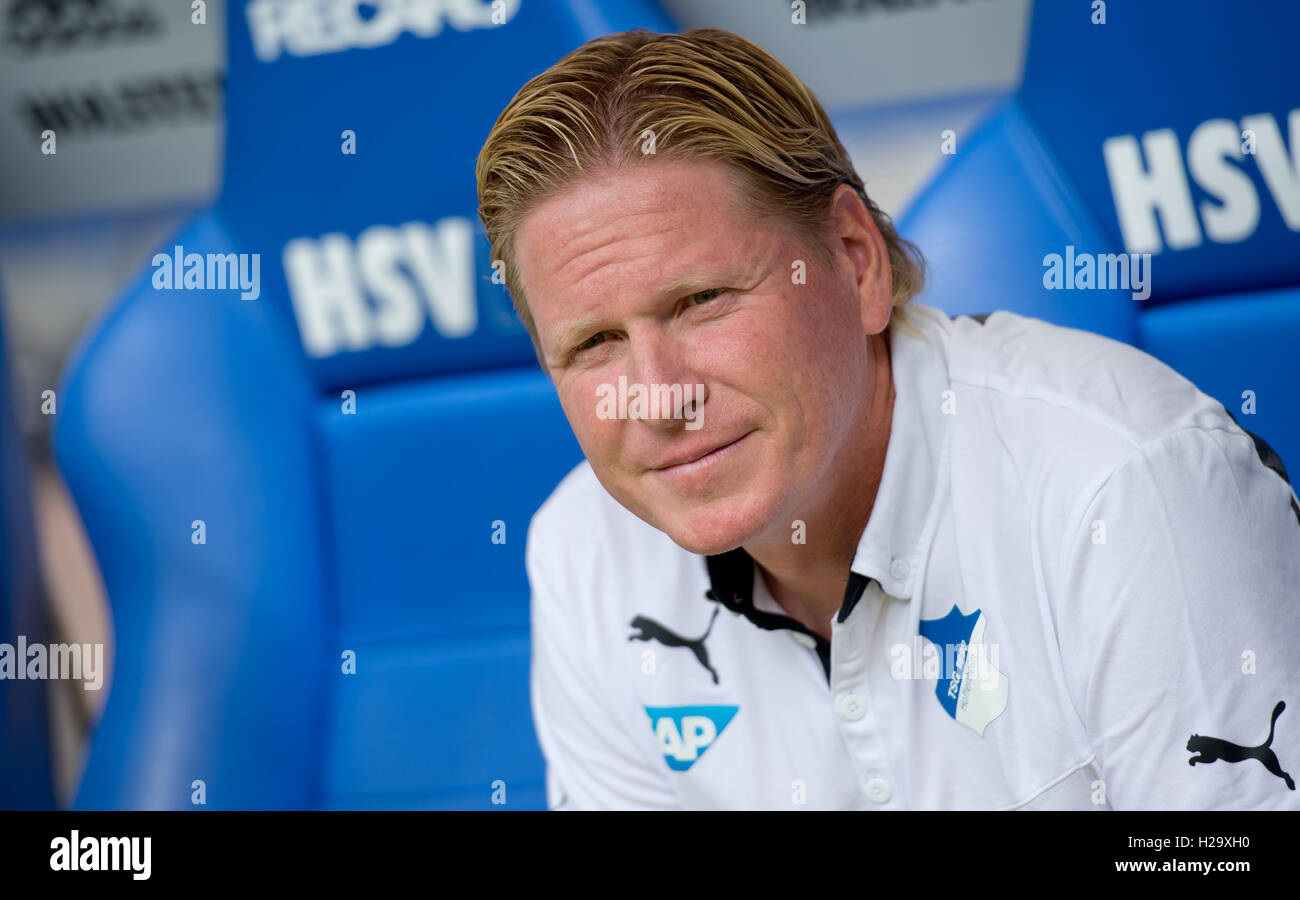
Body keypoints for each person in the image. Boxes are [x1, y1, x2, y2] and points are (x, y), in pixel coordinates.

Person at [475, 27, 1300, 809]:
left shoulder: (1124, 488)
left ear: (855, 260)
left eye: (701, 300)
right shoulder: (581, 551)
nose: (659, 395)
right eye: (594, 343)